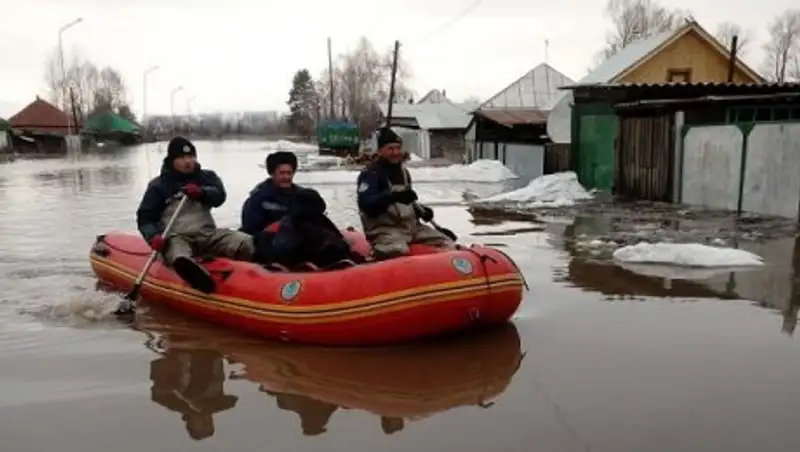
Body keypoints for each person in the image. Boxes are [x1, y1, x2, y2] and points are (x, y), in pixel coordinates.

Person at [136, 136, 254, 293]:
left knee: (245, 241)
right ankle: (199, 281)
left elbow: (219, 197)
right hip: (177, 237)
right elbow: (145, 218)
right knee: (179, 256)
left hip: (207, 234)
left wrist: (202, 192)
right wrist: (153, 236)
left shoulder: (207, 177)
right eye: (182, 157)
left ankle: (252, 276)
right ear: (172, 160)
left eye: (191, 156)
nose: (187, 161)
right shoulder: (159, 186)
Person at [240, 151, 363, 270]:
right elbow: (250, 231)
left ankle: (341, 256)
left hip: (301, 238)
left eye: (289, 173)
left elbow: (318, 218)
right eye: (282, 173)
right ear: (272, 174)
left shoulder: (302, 195)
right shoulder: (258, 199)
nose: (286, 177)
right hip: (273, 242)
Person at [355, 128, 455, 259]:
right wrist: (392, 197)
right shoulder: (370, 174)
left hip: (412, 228)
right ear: (380, 151)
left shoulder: (403, 173)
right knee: (397, 250)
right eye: (390, 149)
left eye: (398, 148)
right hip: (385, 230)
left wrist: (422, 211)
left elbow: (407, 201)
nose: (395, 152)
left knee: (447, 243)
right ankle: (375, 260)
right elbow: (366, 204)